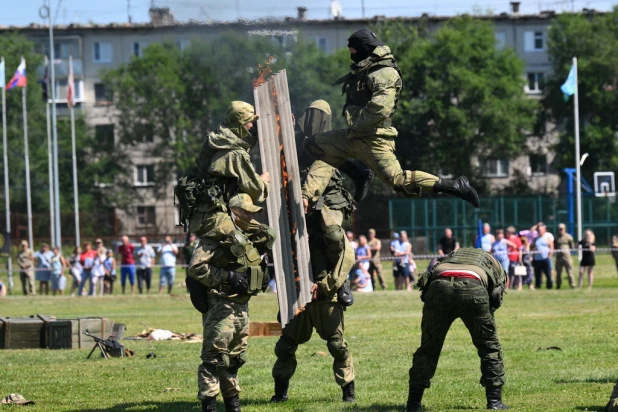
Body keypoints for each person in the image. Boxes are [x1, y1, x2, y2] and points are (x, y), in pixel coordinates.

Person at [303, 29, 479, 207]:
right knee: (315, 145)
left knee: (400, 183)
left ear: (364, 48)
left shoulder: (384, 73)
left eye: (353, 51)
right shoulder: (367, 68)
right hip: (355, 135)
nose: (351, 55)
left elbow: (380, 109)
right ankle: (355, 176)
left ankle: (455, 186)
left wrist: (357, 123)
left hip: (374, 138)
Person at [185, 101, 274, 412]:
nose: (252, 128)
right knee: (214, 356)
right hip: (218, 221)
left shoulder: (216, 139)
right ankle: (210, 404)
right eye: (249, 123)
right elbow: (256, 189)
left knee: (235, 355)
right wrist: (263, 182)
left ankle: (232, 402)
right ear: (239, 123)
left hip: (212, 215)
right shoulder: (234, 152)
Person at [271, 100, 356, 404]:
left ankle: (348, 393)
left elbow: (322, 174)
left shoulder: (330, 146)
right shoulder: (296, 141)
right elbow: (277, 154)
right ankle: (279, 393)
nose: (313, 121)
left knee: (336, 344)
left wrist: (327, 284)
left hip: (323, 269)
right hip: (298, 276)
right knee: (285, 345)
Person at [407, 248, 508, 411]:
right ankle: (495, 402)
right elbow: (496, 298)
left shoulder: (446, 260)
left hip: (438, 286)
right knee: (489, 347)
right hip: (473, 286)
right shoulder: (492, 262)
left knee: (428, 349)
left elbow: (424, 292)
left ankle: (413, 404)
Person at [531, 223, 554, 289]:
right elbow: (531, 247)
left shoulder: (547, 238)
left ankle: (549, 286)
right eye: (538, 230)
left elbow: (552, 248)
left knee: (548, 274)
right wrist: (533, 254)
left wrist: (549, 257)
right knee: (537, 274)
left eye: (541, 230)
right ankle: (538, 286)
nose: (539, 231)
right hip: (537, 259)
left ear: (544, 230)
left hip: (545, 258)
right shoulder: (536, 239)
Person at [554, 223, 575, 289]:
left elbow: (572, 246)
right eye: (559, 229)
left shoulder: (568, 237)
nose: (561, 231)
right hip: (559, 257)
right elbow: (555, 246)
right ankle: (558, 285)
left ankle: (572, 284)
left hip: (567, 257)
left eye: (562, 229)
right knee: (558, 272)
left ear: (565, 229)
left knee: (570, 271)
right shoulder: (556, 237)